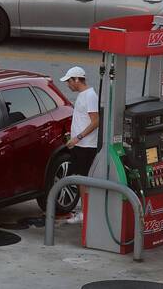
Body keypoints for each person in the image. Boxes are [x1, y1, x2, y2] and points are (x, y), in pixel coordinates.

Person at [60, 66, 99, 225]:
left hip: (86, 145)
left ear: (76, 79)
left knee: (83, 179)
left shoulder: (89, 96)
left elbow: (96, 121)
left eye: (69, 81)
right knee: (81, 179)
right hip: (80, 144)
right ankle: (84, 210)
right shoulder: (84, 95)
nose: (68, 85)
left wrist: (78, 138)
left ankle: (85, 213)